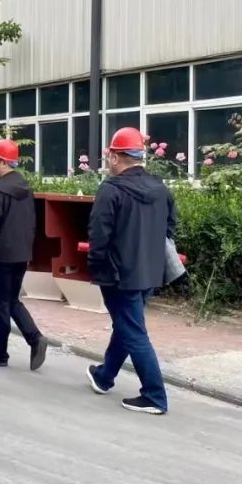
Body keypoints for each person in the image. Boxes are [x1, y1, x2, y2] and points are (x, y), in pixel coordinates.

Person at [84, 127, 176, 415]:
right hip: (150, 272)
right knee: (126, 325)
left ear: (115, 156)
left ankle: (154, 395)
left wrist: (97, 268)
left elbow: (98, 235)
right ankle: (104, 376)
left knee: (133, 331)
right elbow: (170, 229)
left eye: (109, 156)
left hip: (119, 275)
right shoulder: (160, 189)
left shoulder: (110, 190)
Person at [0, 139, 49, 370]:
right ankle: (35, 338)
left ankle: (0, 353)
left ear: (4, 162)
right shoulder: (25, 189)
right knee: (11, 300)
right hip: (21, 255)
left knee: (0, 304)